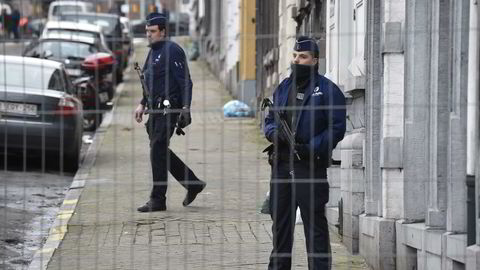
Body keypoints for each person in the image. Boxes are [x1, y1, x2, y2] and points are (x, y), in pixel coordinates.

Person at [263, 36, 346, 270]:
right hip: (281, 166)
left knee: (315, 229)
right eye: (295, 56)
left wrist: (311, 147)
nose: (297, 61)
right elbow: (269, 119)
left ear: (315, 60)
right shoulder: (284, 87)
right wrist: (273, 134)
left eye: (303, 57)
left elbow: (336, 128)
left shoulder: (328, 90)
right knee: (280, 228)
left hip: (309, 166)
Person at [134, 12, 206, 212]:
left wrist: (186, 108)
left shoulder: (172, 50)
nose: (149, 35)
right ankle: (193, 183)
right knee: (159, 152)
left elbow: (185, 82)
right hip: (154, 111)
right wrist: (141, 104)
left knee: (157, 150)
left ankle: (158, 200)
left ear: (163, 32)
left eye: (153, 31)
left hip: (169, 109)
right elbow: (150, 83)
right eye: (147, 31)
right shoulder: (153, 51)